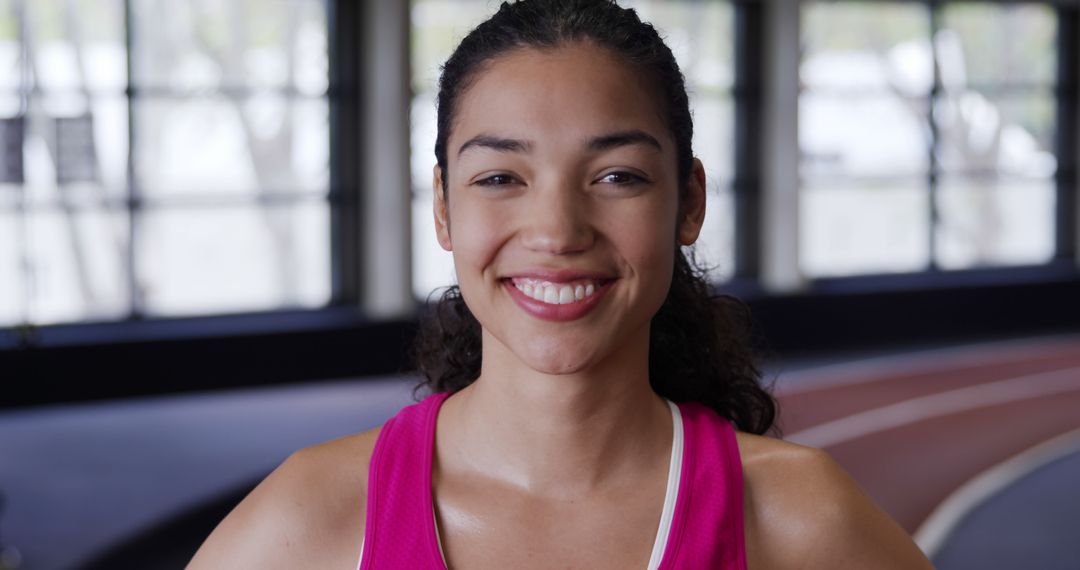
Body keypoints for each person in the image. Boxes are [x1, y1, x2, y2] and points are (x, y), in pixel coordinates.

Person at [189, 1, 934, 568]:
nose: (557, 231)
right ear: (445, 208)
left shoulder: (801, 517)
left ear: (690, 202)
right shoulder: (315, 518)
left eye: (617, 176)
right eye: (500, 177)